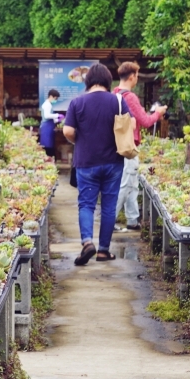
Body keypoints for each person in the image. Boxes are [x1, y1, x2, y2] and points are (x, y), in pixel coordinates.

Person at [62, 63, 123, 265]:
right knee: (108, 206)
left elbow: (67, 131)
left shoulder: (77, 103)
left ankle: (87, 242)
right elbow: (128, 127)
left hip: (86, 161)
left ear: (88, 82)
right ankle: (104, 251)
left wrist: (79, 139)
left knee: (86, 204)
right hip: (113, 161)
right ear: (108, 81)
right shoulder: (118, 101)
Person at [110, 62, 164, 231]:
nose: (137, 79)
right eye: (137, 75)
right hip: (128, 146)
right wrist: (158, 113)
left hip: (116, 144)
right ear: (132, 76)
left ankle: (133, 220)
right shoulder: (130, 97)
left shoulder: (114, 94)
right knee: (126, 183)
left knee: (132, 183)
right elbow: (146, 121)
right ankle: (109, 220)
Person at [39, 88, 61, 159]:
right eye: (55, 98)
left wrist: (56, 119)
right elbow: (47, 115)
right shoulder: (47, 105)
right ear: (51, 96)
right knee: (47, 146)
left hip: (48, 127)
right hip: (46, 128)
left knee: (49, 145)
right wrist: (57, 115)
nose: (56, 100)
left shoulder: (49, 104)